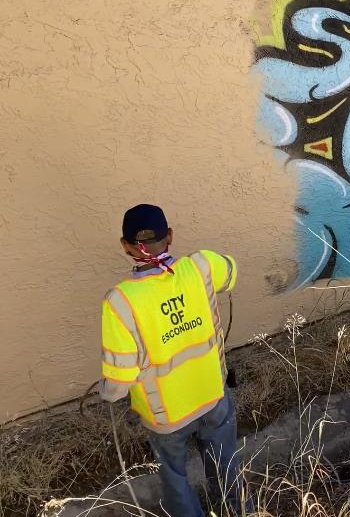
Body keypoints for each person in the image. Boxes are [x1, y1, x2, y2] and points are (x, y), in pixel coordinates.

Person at [99, 204, 248, 516]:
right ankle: (235, 511)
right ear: (169, 236)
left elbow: (119, 381)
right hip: (212, 395)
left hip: (165, 416)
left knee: (175, 477)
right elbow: (232, 272)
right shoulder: (201, 266)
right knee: (224, 464)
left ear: (126, 246)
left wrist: (107, 394)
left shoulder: (120, 301)